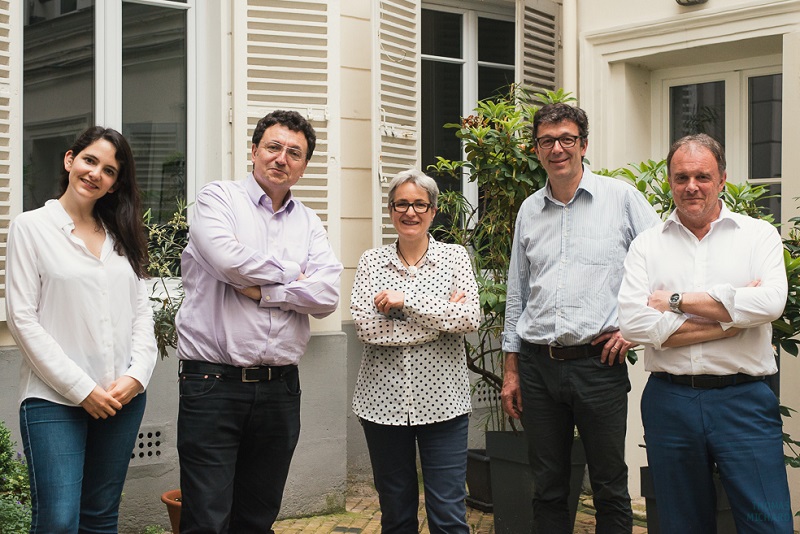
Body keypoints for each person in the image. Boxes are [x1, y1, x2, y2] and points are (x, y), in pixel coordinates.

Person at [175, 109, 343, 533]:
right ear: (253, 150)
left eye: (294, 153)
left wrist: (267, 291)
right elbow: (227, 260)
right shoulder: (218, 199)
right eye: (273, 147)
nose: (281, 159)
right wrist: (292, 274)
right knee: (207, 520)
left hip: (280, 389)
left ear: (304, 167)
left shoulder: (308, 221)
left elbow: (326, 296)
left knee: (258, 517)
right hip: (212, 384)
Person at [618, 133, 792, 533]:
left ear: (723, 179)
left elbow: (769, 305)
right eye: (681, 177)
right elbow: (633, 323)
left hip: (743, 399)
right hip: (670, 401)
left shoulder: (757, 235)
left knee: (768, 523)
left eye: (702, 176)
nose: (691, 186)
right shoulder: (647, 245)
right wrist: (728, 320)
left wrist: (675, 301)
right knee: (682, 524)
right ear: (669, 181)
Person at [500, 103, 660, 533]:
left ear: (584, 145)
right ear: (536, 150)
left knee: (609, 484)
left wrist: (633, 330)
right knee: (547, 485)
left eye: (567, 138)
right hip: (537, 365)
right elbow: (518, 293)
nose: (557, 149)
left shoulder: (622, 198)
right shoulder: (529, 211)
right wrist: (511, 368)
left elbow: (663, 266)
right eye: (547, 141)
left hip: (598, 365)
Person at [5, 126, 157, 533]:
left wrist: (136, 376)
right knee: (57, 520)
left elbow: (142, 312)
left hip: (121, 399)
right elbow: (22, 319)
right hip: (54, 400)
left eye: (110, 171)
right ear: (70, 160)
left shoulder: (121, 233)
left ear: (114, 184)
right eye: (90, 160)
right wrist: (82, 390)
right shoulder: (31, 227)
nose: (96, 174)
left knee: (101, 517)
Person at [351, 168, 480, 534]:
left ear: (433, 211)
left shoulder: (455, 258)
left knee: (449, 515)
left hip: (444, 406)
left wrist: (403, 303)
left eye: (419, 204)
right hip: (382, 407)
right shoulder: (371, 261)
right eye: (402, 204)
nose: (411, 212)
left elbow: (469, 317)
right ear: (391, 210)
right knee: (396, 513)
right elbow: (366, 328)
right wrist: (440, 316)